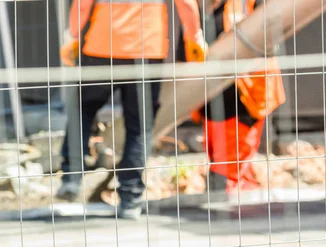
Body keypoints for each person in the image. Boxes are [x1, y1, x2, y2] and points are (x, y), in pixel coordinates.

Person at [58, 0, 207, 220]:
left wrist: (72, 35)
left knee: (83, 108)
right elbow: (185, 3)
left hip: (102, 45)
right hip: (147, 49)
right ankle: (131, 199)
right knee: (140, 125)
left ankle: (71, 177)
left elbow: (82, 4)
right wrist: (194, 36)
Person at [182, 0, 286, 193]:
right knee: (227, 170)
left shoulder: (245, 6)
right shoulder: (204, 9)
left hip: (244, 99)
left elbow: (271, 35)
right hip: (214, 101)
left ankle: (228, 210)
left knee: (228, 172)